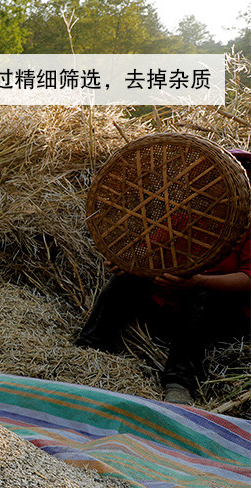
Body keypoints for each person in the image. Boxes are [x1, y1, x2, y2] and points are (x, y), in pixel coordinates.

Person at [75, 149, 251, 406]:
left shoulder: (247, 228)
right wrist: (125, 264)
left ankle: (179, 382)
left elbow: (247, 279)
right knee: (127, 282)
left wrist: (199, 281)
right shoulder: (182, 218)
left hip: (219, 320)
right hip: (171, 308)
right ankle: (87, 350)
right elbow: (147, 255)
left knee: (202, 296)